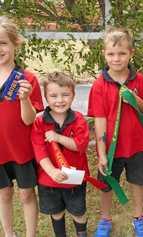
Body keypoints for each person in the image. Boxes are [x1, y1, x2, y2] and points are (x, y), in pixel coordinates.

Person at [88, 26, 143, 237]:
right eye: (111, 54)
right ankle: (105, 218)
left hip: (135, 145)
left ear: (131, 53)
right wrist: (102, 152)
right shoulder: (99, 85)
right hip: (111, 149)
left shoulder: (139, 80)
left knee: (137, 182)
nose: (116, 58)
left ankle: (138, 217)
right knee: (106, 184)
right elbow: (99, 120)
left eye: (122, 53)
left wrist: (135, 99)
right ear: (104, 54)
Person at [31, 72, 90, 237]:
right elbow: (39, 151)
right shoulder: (39, 122)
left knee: (78, 212)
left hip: (75, 178)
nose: (59, 100)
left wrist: (58, 138)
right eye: (53, 95)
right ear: (46, 97)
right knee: (56, 212)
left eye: (65, 95)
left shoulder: (78, 120)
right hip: (49, 179)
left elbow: (81, 145)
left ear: (73, 96)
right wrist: (52, 172)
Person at [0, 16, 43, 237]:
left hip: (21, 150)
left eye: (3, 43)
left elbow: (29, 120)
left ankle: (30, 234)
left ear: (15, 43)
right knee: (4, 194)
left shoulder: (27, 78)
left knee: (26, 194)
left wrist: (24, 99)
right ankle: (8, 233)